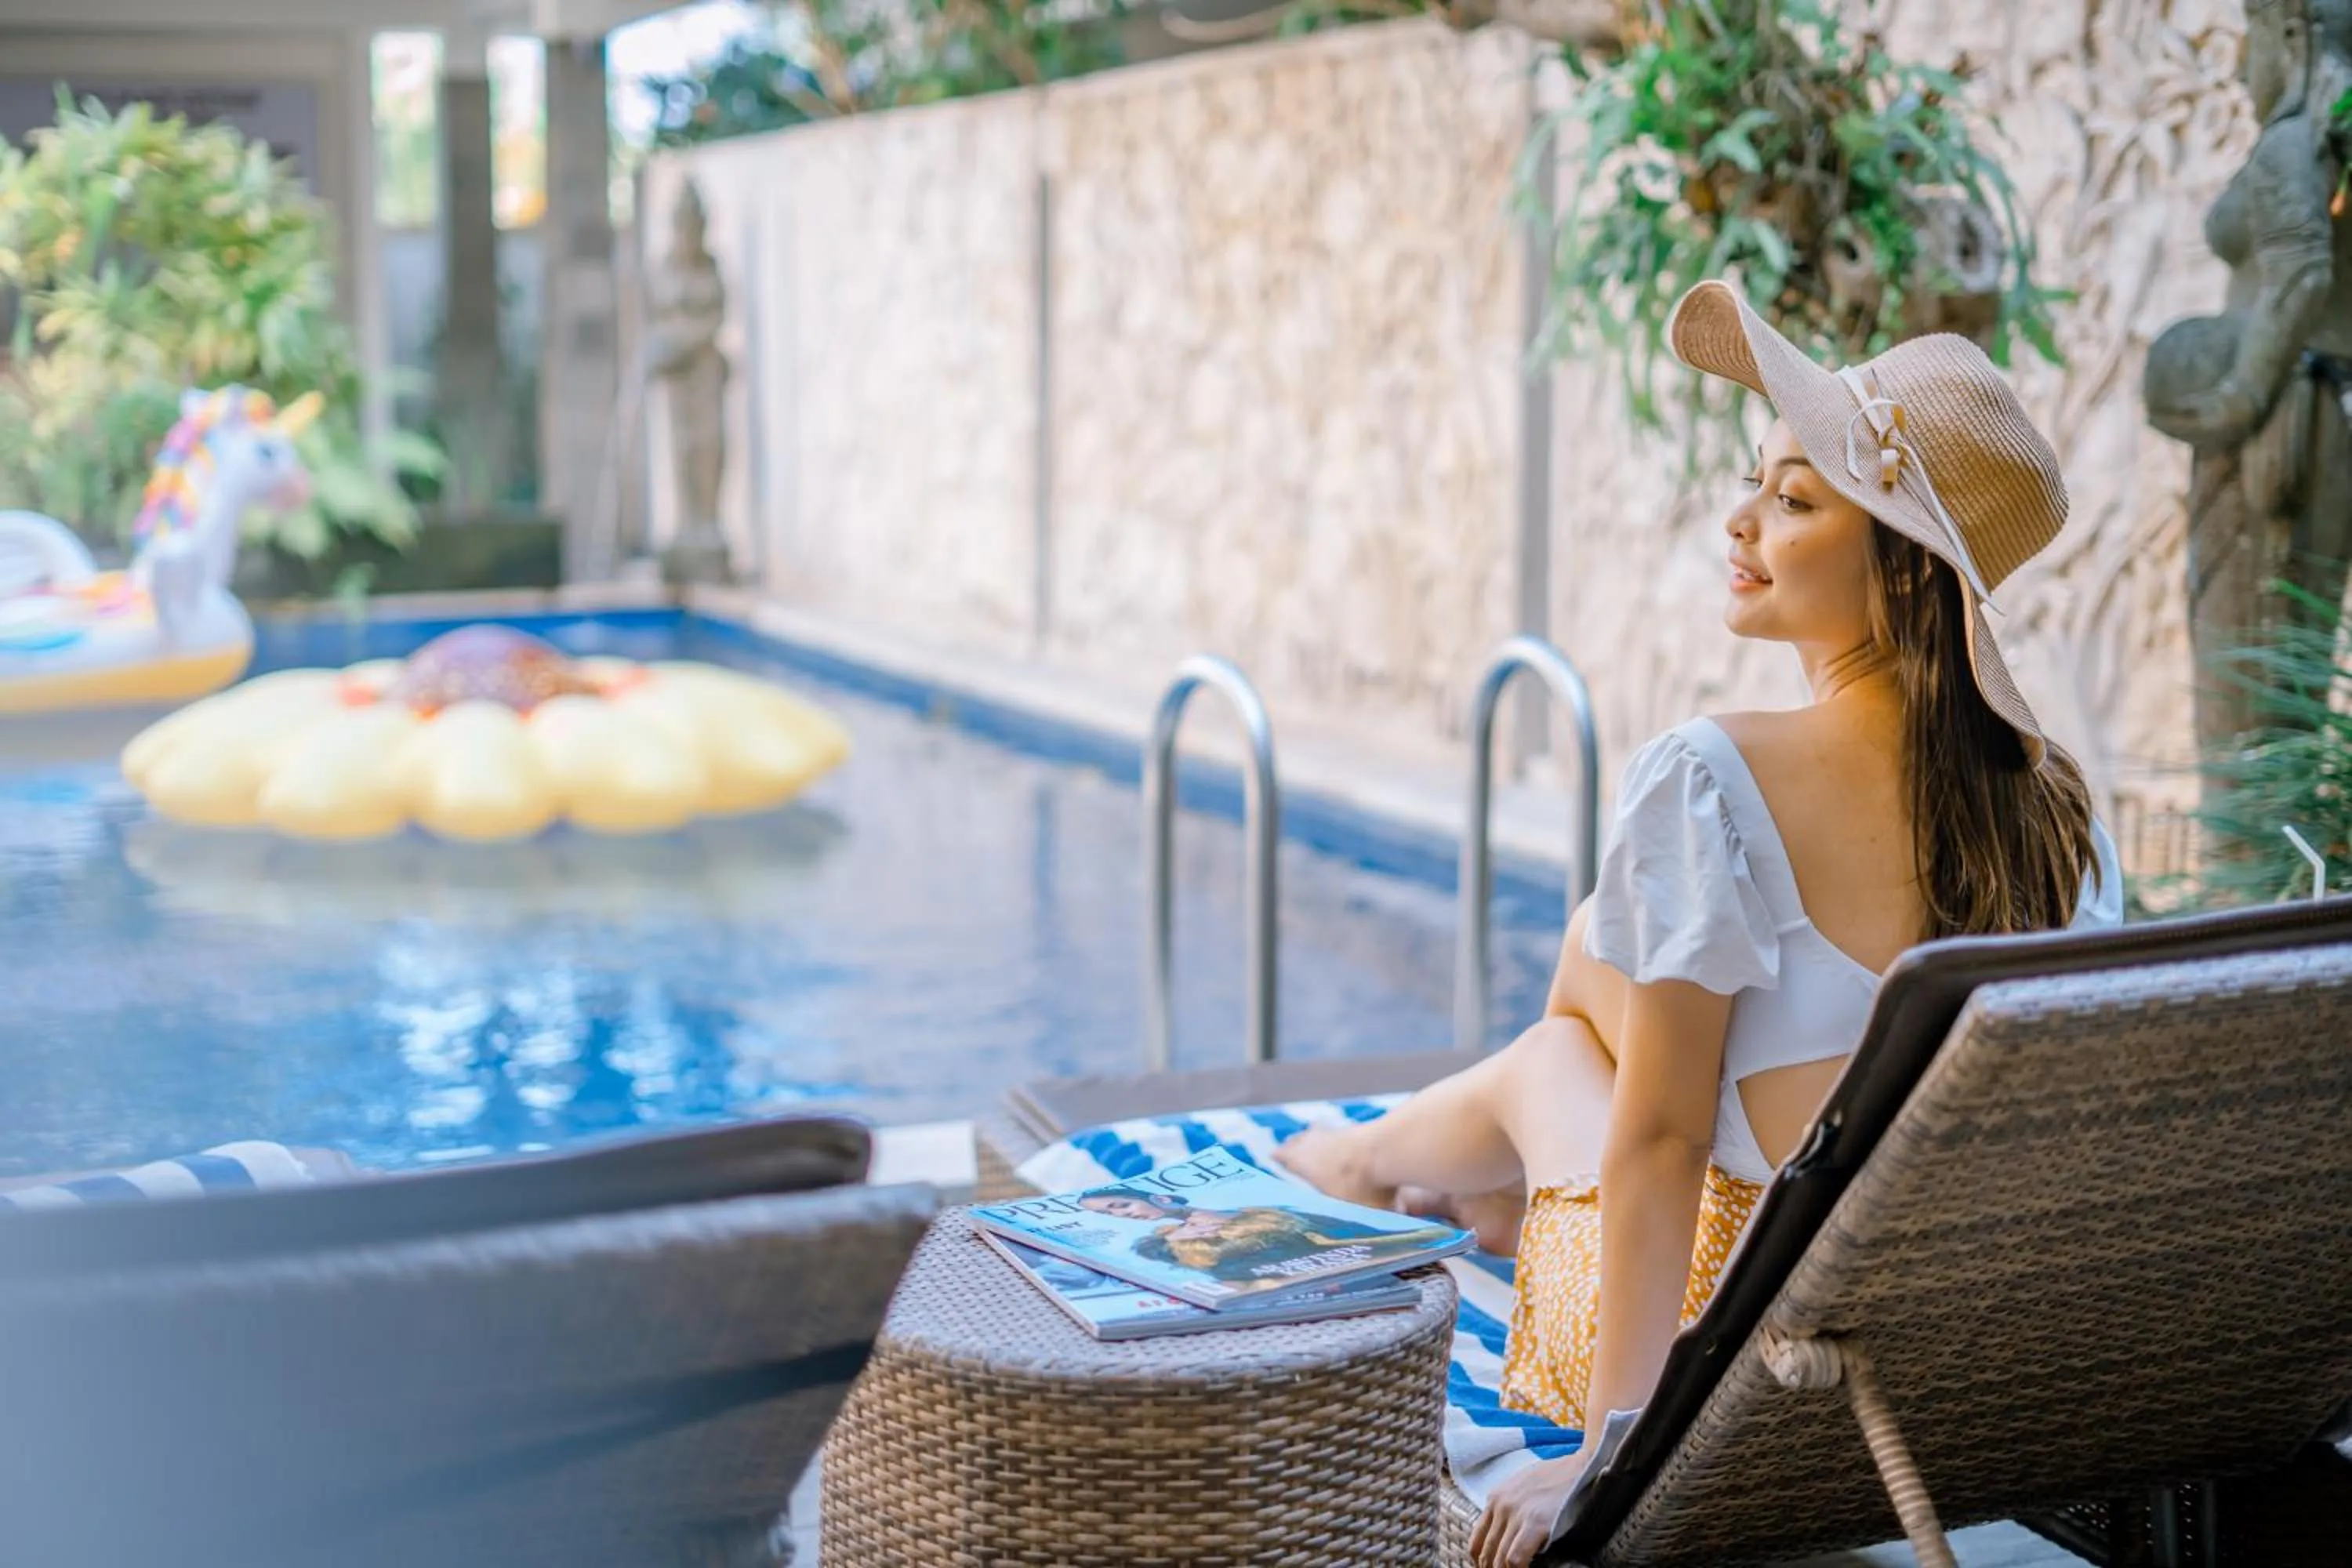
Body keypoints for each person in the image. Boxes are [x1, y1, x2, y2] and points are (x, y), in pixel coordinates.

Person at [1278, 280, 2123, 1568]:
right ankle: (1418, 1177)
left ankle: (1363, 1167)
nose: (1741, 519)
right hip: (1939, 1364)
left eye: (1793, 498)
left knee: (1562, 1049)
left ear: (1900, 571)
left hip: (1734, 1373)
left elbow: (1664, 1140)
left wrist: (1613, 1458)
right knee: (1607, 1004)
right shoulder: (2061, 812)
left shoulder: (1711, 779)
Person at [1076, 1189, 1457, 1284]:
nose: (1124, 1215)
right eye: (1110, 1213)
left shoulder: (1241, 1210)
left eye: (1120, 1206)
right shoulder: (1165, 1240)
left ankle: (1347, 1160)